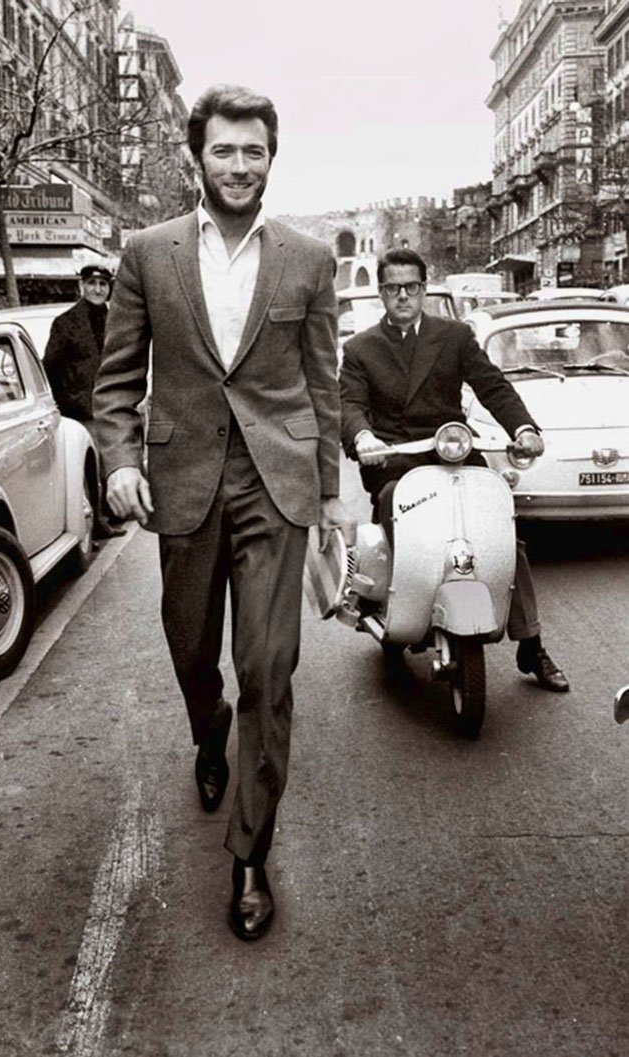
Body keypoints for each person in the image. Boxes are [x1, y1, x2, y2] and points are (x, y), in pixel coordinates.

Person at [93, 84, 351, 941]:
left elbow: (322, 384)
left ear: (272, 158)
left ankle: (250, 853)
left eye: (254, 152)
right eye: (223, 151)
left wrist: (331, 499)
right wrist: (123, 463)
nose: (239, 166)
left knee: (270, 668)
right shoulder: (147, 252)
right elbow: (119, 379)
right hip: (185, 482)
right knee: (193, 647)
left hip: (276, 488)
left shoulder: (311, 259)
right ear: (195, 157)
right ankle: (208, 729)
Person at [339, 248, 569, 693]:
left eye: (411, 287)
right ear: (382, 292)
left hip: (453, 452)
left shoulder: (455, 336)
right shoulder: (361, 348)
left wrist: (523, 427)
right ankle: (397, 609)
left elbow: (492, 386)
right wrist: (364, 438)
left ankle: (531, 643)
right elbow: (349, 404)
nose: (402, 296)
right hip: (397, 459)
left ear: (425, 290)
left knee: (504, 533)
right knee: (395, 515)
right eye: (392, 288)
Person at [43, 264, 125, 539]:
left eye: (103, 284)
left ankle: (108, 515)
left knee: (108, 464)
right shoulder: (66, 322)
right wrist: (66, 400)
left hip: (110, 404)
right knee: (90, 466)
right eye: (92, 283)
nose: (97, 289)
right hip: (80, 408)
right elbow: (50, 366)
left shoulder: (116, 319)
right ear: (81, 286)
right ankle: (97, 522)